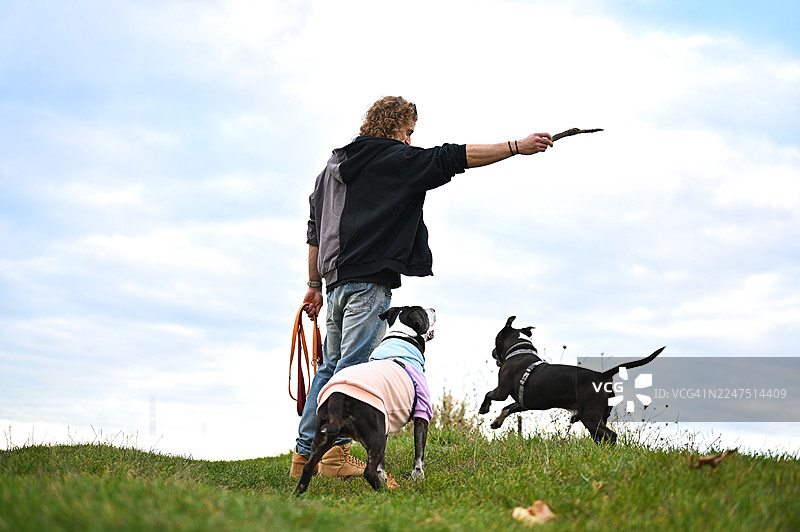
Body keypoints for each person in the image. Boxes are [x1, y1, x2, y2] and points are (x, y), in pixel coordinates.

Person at [290, 96, 553, 479]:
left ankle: (303, 457)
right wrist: (516, 147)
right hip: (369, 284)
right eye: (409, 132)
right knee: (352, 370)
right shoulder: (394, 159)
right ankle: (332, 455)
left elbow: (314, 231)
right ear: (395, 126)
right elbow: (455, 156)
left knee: (330, 366)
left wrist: (314, 285)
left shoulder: (331, 169)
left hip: (335, 283)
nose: (411, 141)